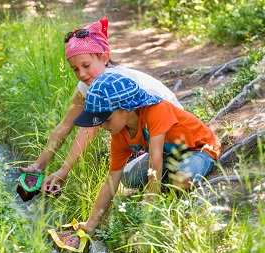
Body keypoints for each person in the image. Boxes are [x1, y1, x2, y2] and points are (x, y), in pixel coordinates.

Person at [20, 17, 184, 193]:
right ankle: (161, 171)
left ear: (104, 57)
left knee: (140, 168)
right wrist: (38, 166)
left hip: (174, 132)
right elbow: (65, 126)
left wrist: (64, 170)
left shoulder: (110, 86)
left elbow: (88, 131)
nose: (81, 74)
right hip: (149, 138)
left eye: (86, 65)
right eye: (75, 69)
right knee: (128, 177)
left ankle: (163, 177)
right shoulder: (86, 86)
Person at [72, 72, 221, 234]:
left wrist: (150, 204)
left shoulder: (156, 110)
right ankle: (166, 180)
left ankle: (167, 184)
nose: (102, 126)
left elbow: (154, 157)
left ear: (127, 107)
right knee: (127, 176)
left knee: (180, 180)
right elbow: (111, 179)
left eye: (106, 120)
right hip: (167, 155)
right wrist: (90, 224)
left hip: (199, 149)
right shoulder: (119, 134)